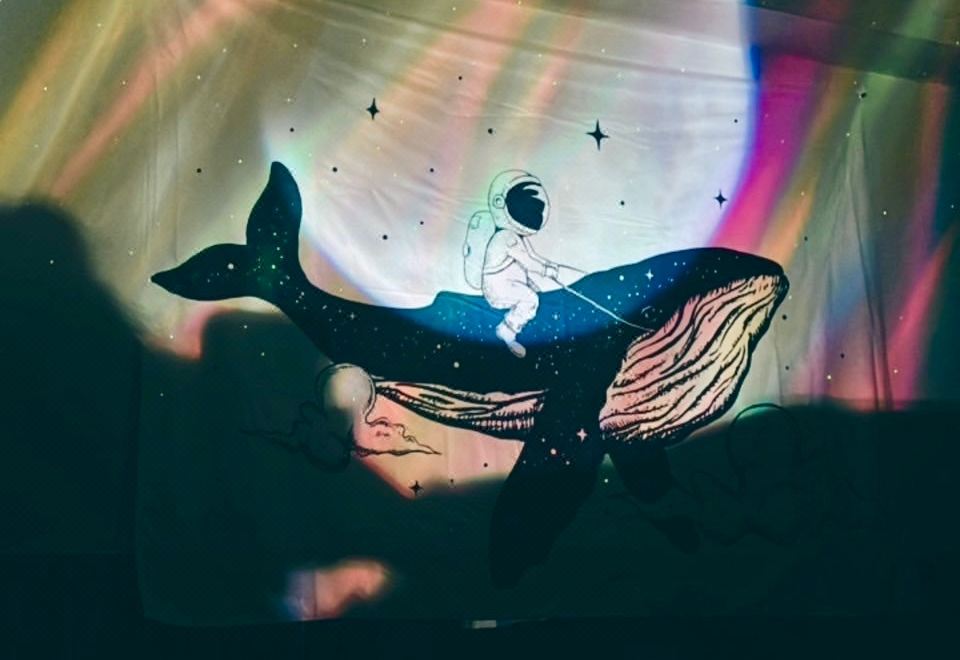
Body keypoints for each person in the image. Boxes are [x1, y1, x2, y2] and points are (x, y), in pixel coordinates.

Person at [463, 170, 559, 358]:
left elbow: (531, 256)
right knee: (531, 300)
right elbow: (528, 262)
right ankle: (507, 331)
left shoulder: (513, 235)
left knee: (532, 295)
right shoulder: (506, 237)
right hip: (498, 289)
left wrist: (547, 264)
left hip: (508, 282)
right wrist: (545, 270)